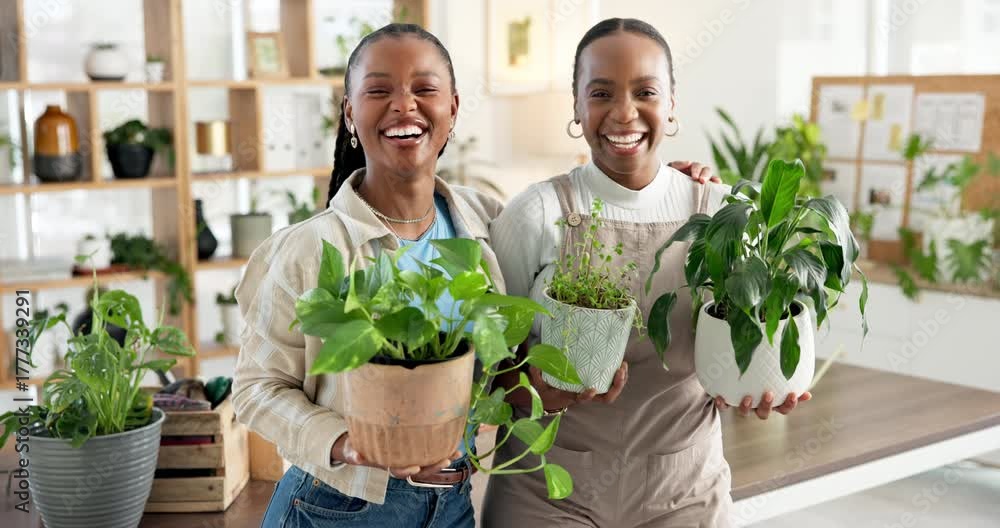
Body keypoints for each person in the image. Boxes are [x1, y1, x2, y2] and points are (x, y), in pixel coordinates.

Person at [232, 21, 719, 528]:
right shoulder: (310, 248)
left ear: (453, 108)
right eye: (379, 91)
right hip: (336, 507)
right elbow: (256, 389)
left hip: (451, 505)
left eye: (424, 89)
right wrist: (348, 443)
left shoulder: (484, 222)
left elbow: (499, 375)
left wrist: (665, 189)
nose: (404, 105)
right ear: (350, 112)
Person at [483, 18, 810, 528]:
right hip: (546, 493)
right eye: (601, 93)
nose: (623, 112)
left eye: (645, 92)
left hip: (685, 492)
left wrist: (760, 385)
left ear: (671, 103)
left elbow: (746, 337)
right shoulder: (534, 213)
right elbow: (484, 367)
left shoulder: (719, 213)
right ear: (576, 106)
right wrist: (535, 390)